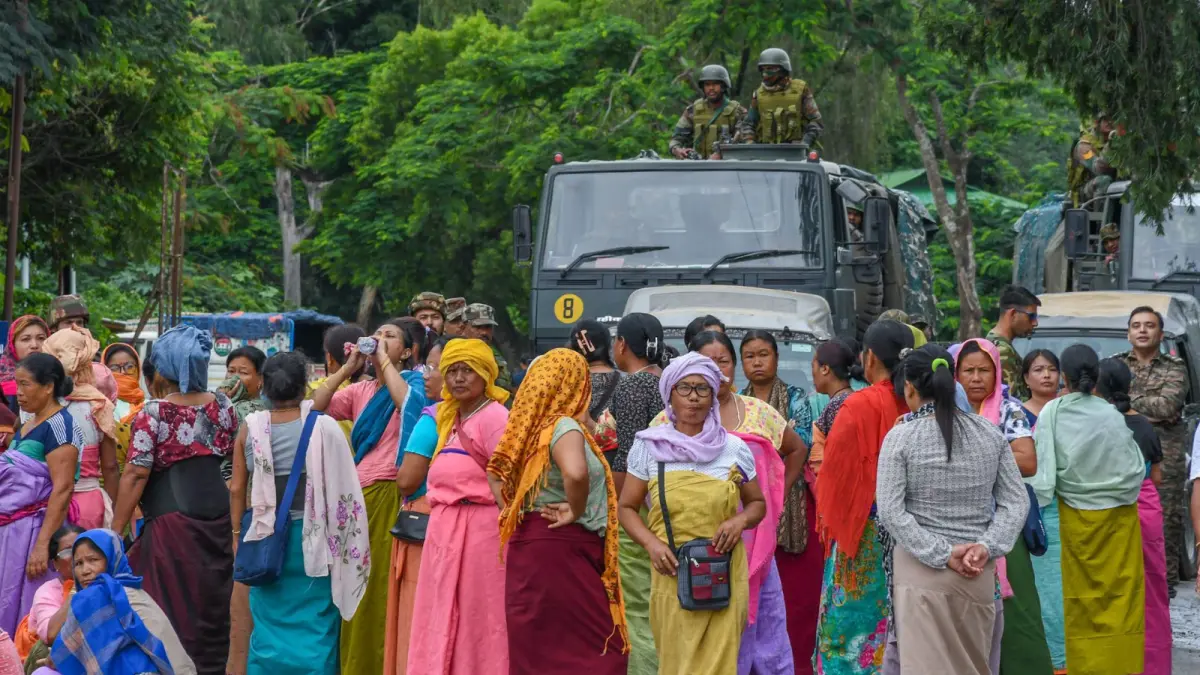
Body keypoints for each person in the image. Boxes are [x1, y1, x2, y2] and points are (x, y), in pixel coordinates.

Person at [876, 345, 1028, 674]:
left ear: (910, 388)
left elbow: (890, 511)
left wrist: (941, 553)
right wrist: (986, 547)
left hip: (921, 574)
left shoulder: (900, 437)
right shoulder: (990, 435)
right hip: (977, 571)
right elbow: (1017, 502)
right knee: (973, 666)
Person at [619, 351, 767, 674]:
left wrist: (740, 520)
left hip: (723, 576)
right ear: (670, 394)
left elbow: (758, 504)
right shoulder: (648, 447)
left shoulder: (733, 449)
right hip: (671, 573)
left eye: (703, 389)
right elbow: (627, 508)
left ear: (714, 395)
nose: (694, 398)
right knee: (676, 664)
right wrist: (651, 544)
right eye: (684, 388)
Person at [229, 352, 371, 675]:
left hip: (265, 542)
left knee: (267, 623)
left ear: (264, 385)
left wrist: (237, 535)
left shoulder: (249, 429)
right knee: (317, 623)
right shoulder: (325, 428)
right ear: (304, 385)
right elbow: (344, 490)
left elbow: (237, 489)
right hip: (314, 545)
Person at [487, 348, 628, 673]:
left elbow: (494, 472)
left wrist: (514, 510)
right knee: (600, 651)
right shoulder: (562, 425)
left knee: (537, 654)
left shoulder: (525, 428)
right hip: (563, 546)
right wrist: (574, 509)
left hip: (530, 546)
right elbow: (576, 472)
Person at [110, 324, 238, 674]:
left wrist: (115, 530)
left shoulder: (154, 413)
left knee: (172, 608)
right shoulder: (224, 406)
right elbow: (229, 457)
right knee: (211, 603)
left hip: (173, 524)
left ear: (164, 366)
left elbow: (136, 474)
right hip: (219, 519)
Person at [310, 317, 429, 675]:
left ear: (408, 351)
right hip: (356, 498)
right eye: (376, 335)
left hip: (390, 494)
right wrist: (348, 368)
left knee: (378, 588)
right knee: (354, 585)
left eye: (390, 337)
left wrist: (385, 362)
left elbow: (407, 405)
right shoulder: (361, 391)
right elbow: (316, 405)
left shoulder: (415, 382)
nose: (380, 340)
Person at [680, 331, 803, 674]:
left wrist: (774, 494)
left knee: (766, 625)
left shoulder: (758, 413)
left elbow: (795, 449)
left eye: (724, 361)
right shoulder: (675, 418)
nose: (717, 370)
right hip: (700, 545)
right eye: (708, 363)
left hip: (754, 542)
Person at [1028, 344, 1146, 674]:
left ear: (1063, 376)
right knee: (1119, 603)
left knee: (1072, 606)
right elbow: (1135, 470)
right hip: (1118, 524)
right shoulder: (1111, 414)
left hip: (1071, 522)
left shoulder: (1053, 411)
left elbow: (1044, 475)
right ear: (1097, 377)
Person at [813, 320, 912, 674]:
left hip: (863, 536)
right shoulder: (917, 401)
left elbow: (833, 480)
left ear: (868, 358)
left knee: (849, 635)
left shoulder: (857, 406)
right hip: (914, 536)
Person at [407, 339, 511, 675]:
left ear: (485, 376)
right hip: (444, 532)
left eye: (468, 370)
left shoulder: (495, 417)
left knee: (479, 616)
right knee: (440, 612)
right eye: (452, 371)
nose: (459, 378)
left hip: (482, 533)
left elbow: (510, 482)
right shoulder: (447, 417)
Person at [950, 339, 1050, 675]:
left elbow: (1028, 461)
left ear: (998, 374)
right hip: (954, 525)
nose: (977, 378)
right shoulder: (945, 411)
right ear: (955, 374)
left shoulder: (1009, 410)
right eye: (969, 371)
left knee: (1017, 609)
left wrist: (972, 460)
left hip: (1003, 526)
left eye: (984, 370)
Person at [1097, 358, 1171, 673]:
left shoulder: (1094, 423)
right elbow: (1156, 477)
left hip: (1104, 509)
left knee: (1108, 588)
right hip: (1145, 508)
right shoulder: (1142, 423)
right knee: (1152, 589)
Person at [383, 336, 451, 675]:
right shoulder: (496, 416)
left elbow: (407, 480)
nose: (426, 375)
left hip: (424, 523)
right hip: (468, 529)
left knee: (417, 610)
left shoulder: (434, 418)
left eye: (436, 368)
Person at [0, 354, 79, 636]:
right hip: (11, 530)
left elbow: (63, 488)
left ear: (48, 386)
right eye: (16, 385)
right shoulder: (28, 423)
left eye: (25, 385)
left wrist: (42, 545)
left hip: (34, 532)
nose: (18, 393)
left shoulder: (60, 426)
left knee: (24, 604)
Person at [42, 528, 195, 675]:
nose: (85, 570)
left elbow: (163, 640)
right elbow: (65, 649)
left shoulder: (126, 595)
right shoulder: (85, 603)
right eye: (78, 563)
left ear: (112, 560)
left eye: (93, 560)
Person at [608, 312, 666, 675]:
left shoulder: (632, 387)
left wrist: (617, 508)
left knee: (640, 602)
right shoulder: (673, 382)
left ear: (622, 345)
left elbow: (627, 458)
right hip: (673, 504)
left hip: (640, 509)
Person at [1117, 305, 1189, 597]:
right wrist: (1145, 406)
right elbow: (1106, 402)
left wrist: (1126, 405)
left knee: (1164, 529)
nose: (1142, 330)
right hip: (1118, 457)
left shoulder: (1175, 367)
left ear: (1160, 334)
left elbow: (1168, 406)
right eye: (1136, 325)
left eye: (1149, 325)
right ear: (1128, 333)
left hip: (1164, 462)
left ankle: (1163, 592)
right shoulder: (1115, 365)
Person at [42, 328, 119, 530]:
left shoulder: (38, 404)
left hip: (46, 502)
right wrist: (112, 508)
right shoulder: (99, 405)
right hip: (89, 503)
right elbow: (110, 467)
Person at [11, 524, 83, 664]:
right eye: (68, 551)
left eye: (81, 549)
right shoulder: (47, 592)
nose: (77, 556)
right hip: (48, 660)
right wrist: (76, 590)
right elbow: (51, 635)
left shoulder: (107, 584)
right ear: (55, 563)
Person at [737, 47, 823, 147]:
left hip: (796, 152)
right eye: (763, 70)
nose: (765, 74)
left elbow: (816, 121)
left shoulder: (800, 90)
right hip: (767, 152)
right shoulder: (759, 94)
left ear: (783, 70)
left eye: (770, 70)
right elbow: (748, 124)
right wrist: (751, 145)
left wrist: (805, 143)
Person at [669, 64, 747, 160]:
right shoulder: (693, 110)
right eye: (707, 84)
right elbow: (677, 138)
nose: (711, 88)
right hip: (698, 167)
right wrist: (677, 150)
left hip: (726, 168)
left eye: (715, 84)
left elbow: (745, 143)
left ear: (723, 86)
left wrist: (723, 154)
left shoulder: (736, 112)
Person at [569, 319, 622, 455]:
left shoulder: (568, 382)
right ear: (607, 345)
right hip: (613, 457)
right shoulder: (624, 380)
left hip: (576, 455)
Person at [307, 323, 368, 441]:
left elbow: (309, 406)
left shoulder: (316, 389)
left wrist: (345, 370)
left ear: (329, 358)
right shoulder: (376, 386)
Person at [986, 285, 1041, 401]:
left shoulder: (994, 343)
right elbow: (1011, 400)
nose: (1035, 323)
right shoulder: (1002, 350)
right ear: (1013, 314)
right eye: (1031, 316)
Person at [0, 315, 49, 415]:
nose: (34, 345)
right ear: (12, 345)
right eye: (26, 339)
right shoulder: (3, 387)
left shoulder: (59, 380)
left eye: (41, 338)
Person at [1067, 113, 1117, 208]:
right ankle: (1101, 222)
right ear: (1097, 122)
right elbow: (1097, 169)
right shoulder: (1083, 147)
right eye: (1105, 119)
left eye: (1113, 119)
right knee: (1103, 180)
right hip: (1084, 192)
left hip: (1112, 185)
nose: (1110, 122)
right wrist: (1110, 146)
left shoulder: (1116, 140)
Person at [462, 303, 512, 392]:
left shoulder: (497, 359)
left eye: (488, 327)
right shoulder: (455, 356)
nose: (484, 332)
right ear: (464, 326)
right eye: (478, 327)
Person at [102, 344, 145, 423]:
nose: (123, 372)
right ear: (105, 371)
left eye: (129, 366)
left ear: (138, 369)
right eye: (114, 368)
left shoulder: (150, 405)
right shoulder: (103, 405)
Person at [1019, 349, 1060, 425]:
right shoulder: (1018, 413)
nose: (1047, 375)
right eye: (1038, 370)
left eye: (1052, 370)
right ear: (1026, 378)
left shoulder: (1069, 409)